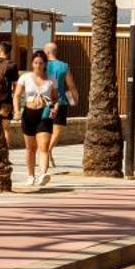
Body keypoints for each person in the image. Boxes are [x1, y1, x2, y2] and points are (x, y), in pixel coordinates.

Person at [13, 50, 58, 188]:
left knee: (43, 147)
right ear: (32, 63)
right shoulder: (25, 77)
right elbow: (16, 95)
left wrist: (55, 108)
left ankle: (43, 174)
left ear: (45, 64)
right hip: (29, 114)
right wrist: (17, 111)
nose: (38, 65)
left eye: (41, 63)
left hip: (44, 114)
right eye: (36, 63)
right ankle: (30, 176)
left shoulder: (51, 79)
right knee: (30, 148)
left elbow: (56, 99)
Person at [41, 41, 78, 172]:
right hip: (61, 102)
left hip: (44, 102)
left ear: (46, 52)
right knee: (57, 130)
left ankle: (45, 152)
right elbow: (71, 85)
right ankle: (48, 150)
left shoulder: (41, 65)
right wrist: (75, 98)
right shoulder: (64, 66)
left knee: (45, 129)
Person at [0, 40, 19, 147]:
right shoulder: (12, 65)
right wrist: (15, 98)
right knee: (5, 127)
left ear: (0, 50)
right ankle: (5, 150)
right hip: (6, 99)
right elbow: (15, 84)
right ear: (9, 52)